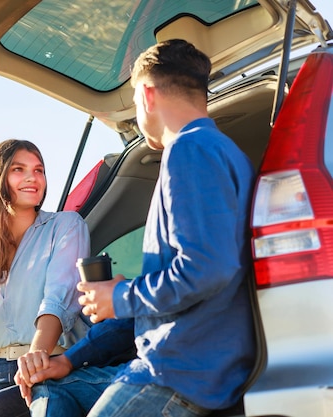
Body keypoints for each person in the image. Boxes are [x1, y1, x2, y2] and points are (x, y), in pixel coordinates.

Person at [15, 39, 257, 417]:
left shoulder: (189, 150)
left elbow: (207, 268)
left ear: (146, 94)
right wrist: (72, 357)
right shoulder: (224, 153)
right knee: (55, 387)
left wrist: (121, 296)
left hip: (175, 373)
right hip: (182, 368)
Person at [0, 139, 91, 417]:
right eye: (19, 169)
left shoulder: (65, 226)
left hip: (51, 364)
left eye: (39, 170)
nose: (32, 178)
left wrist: (36, 355)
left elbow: (58, 300)